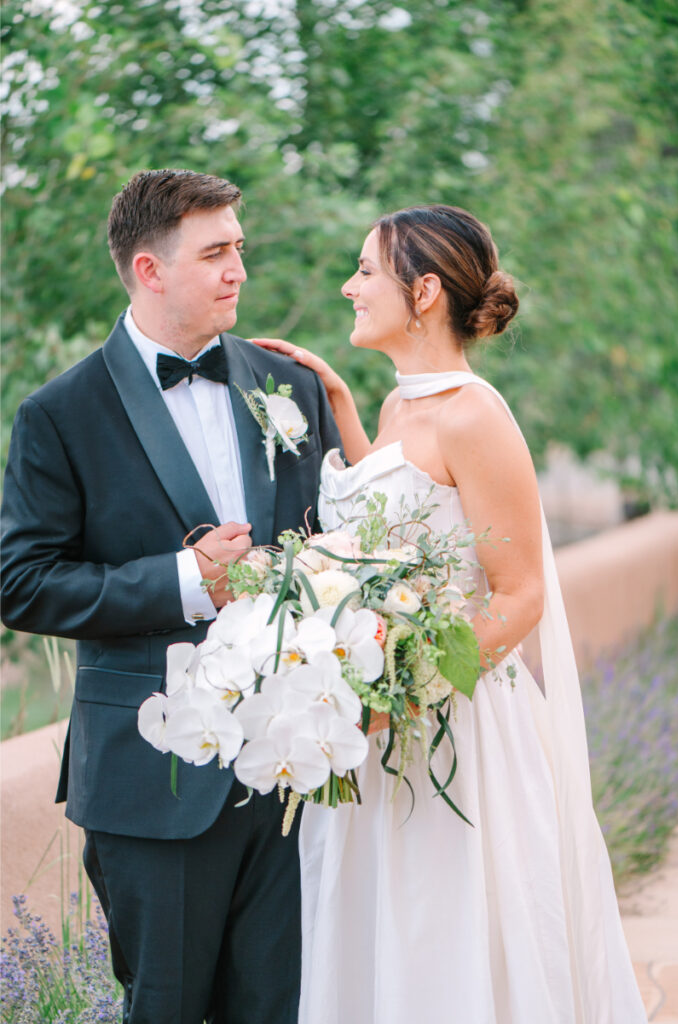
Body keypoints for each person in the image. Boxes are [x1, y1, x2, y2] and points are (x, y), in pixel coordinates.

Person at [253, 204, 647, 1023]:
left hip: (454, 733)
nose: (348, 286)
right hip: (375, 734)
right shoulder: (403, 407)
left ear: (423, 290)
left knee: (444, 937)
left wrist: (409, 690)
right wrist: (341, 406)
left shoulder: (475, 413)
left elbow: (521, 595)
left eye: (366, 271)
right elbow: (405, 522)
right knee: (386, 942)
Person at [0, 169, 341, 1024]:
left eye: (240, 249)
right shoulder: (61, 413)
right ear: (150, 271)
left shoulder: (287, 388)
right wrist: (187, 582)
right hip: (153, 781)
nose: (240, 271)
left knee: (283, 1008)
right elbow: (22, 582)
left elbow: (333, 545)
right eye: (217, 252)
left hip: (291, 772)